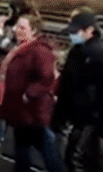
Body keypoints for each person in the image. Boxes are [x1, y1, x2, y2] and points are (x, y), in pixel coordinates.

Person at [0, 15, 65, 172]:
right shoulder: (21, 48)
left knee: (46, 153)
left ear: (34, 31)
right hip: (21, 112)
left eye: (22, 28)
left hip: (33, 113)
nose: (16, 30)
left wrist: (27, 95)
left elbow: (46, 78)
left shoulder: (39, 51)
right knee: (23, 152)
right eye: (17, 26)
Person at [51, 11, 103, 172]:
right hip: (82, 116)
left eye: (77, 31)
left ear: (90, 30)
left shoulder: (96, 53)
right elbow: (67, 85)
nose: (73, 35)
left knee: (75, 157)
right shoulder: (79, 51)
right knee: (86, 158)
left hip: (89, 117)